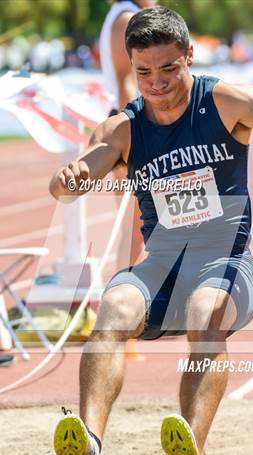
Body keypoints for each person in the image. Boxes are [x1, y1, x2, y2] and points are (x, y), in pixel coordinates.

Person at [49, 7, 253, 455]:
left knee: (205, 312)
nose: (156, 83)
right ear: (131, 68)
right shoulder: (124, 128)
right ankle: (89, 442)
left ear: (189, 57)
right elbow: (70, 180)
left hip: (224, 260)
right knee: (113, 308)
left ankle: (189, 451)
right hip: (160, 266)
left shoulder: (224, 101)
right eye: (143, 73)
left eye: (168, 69)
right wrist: (70, 180)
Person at [99, 0, 156, 269]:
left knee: (138, 226)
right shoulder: (126, 18)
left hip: (132, 122)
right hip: (131, 124)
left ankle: (127, 296)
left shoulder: (126, 15)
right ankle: (124, 298)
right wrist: (130, 141)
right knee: (137, 225)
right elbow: (126, 81)